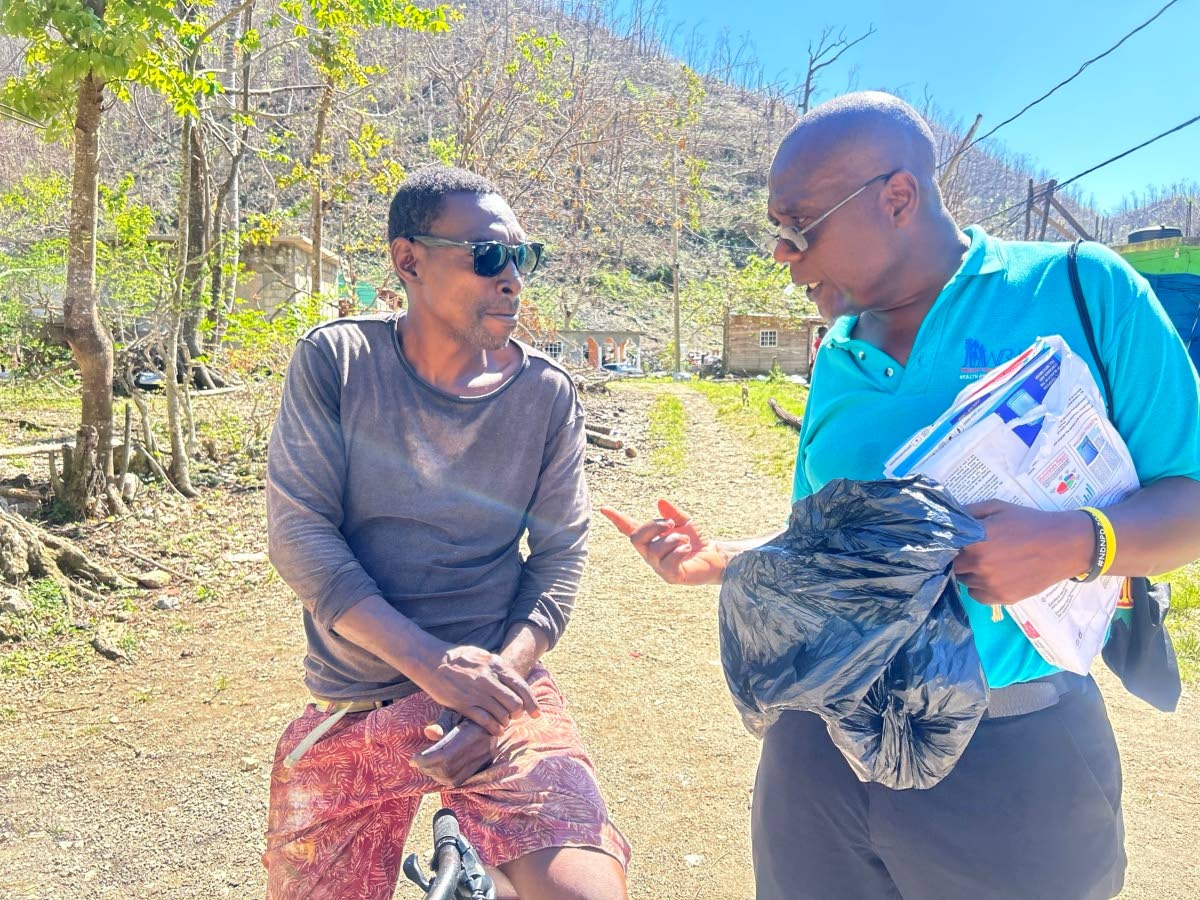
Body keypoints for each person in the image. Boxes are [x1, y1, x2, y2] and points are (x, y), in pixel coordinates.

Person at [603, 92, 1200, 900]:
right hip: (816, 754)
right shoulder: (839, 358)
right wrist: (724, 561)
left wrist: (1074, 543)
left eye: (799, 224)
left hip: (1012, 760)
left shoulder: (1082, 290)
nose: (783, 252)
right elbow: (837, 553)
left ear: (897, 198)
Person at [264, 165, 630, 900]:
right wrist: (432, 666)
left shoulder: (547, 396)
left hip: (501, 692)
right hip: (358, 697)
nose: (513, 279)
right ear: (408, 261)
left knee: (585, 893)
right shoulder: (338, 362)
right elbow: (301, 535)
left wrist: (490, 690)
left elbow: (559, 556)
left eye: (523, 258)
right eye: (490, 255)